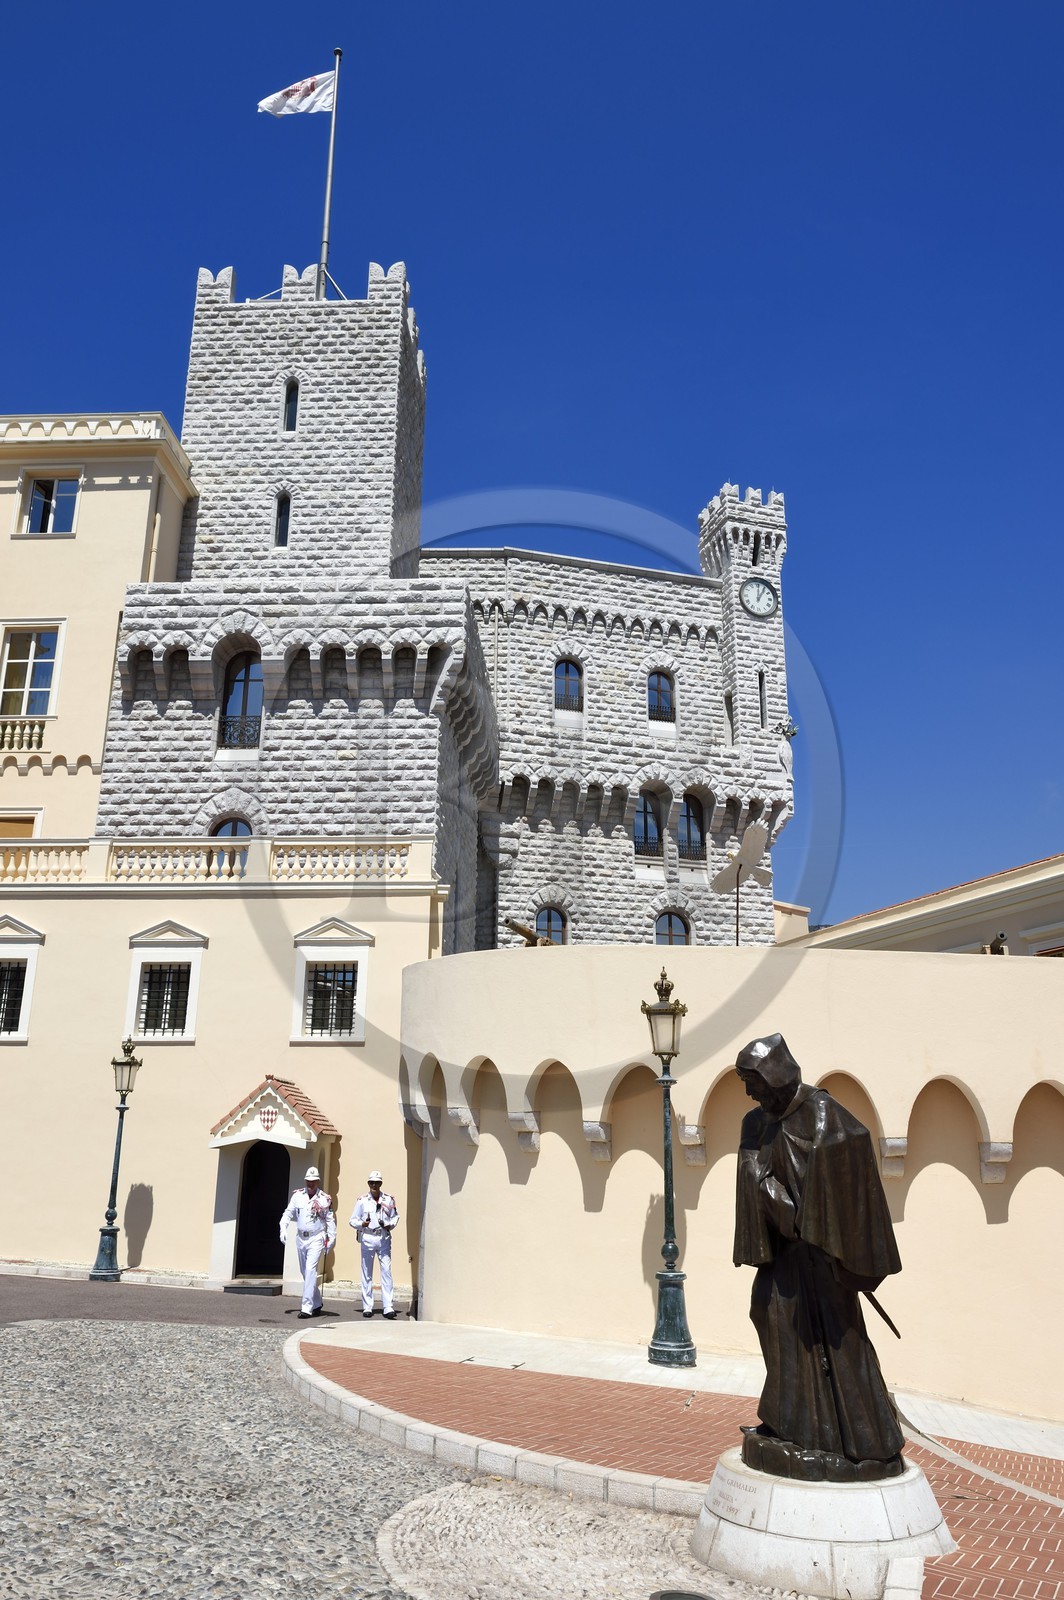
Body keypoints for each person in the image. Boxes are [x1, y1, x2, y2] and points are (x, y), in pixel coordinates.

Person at [733, 1034, 905, 1483]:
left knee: (833, 1343)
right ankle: (788, 1424)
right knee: (767, 1316)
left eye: (753, 1082)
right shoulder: (758, 1122)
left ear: (774, 1076)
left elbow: (848, 1183)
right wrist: (764, 1191)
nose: (749, 1093)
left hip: (822, 1260)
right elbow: (755, 1174)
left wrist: (818, 1228)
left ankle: (861, 1444)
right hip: (784, 1257)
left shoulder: (825, 1117)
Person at [280, 1165, 335, 1319]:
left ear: (318, 1182)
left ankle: (306, 1307)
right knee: (305, 1273)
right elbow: (288, 1213)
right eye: (308, 1181)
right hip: (301, 1238)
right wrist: (283, 1229)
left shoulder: (324, 1198)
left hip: (316, 1238)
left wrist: (331, 1239)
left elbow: (330, 1220)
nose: (310, 1184)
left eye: (313, 1181)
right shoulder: (297, 1196)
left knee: (311, 1270)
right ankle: (317, 1303)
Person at [349, 1171, 399, 1319]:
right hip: (368, 1237)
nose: (374, 1185)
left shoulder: (388, 1199)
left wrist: (389, 1224)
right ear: (368, 1184)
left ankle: (388, 1306)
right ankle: (367, 1307)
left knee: (386, 1272)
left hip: (383, 1237)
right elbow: (352, 1220)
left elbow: (395, 1216)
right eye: (371, 1182)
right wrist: (361, 1224)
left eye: (377, 1182)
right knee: (366, 1272)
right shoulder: (362, 1201)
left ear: (381, 1184)